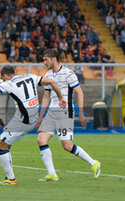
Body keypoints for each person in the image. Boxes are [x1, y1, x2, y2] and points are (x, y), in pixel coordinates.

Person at [36, 49, 101, 182]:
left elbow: (80, 93)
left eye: (45, 59)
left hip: (65, 112)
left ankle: (93, 163)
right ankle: (52, 174)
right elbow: (46, 97)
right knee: (41, 140)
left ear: (54, 59)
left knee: (67, 145)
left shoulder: (68, 73)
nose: (44, 62)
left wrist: (81, 114)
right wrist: (41, 115)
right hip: (51, 112)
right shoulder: (47, 75)